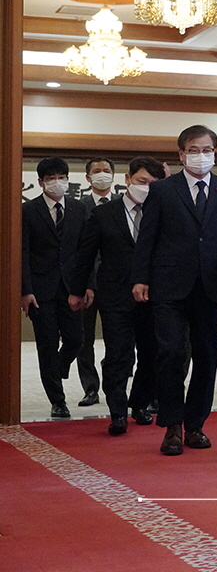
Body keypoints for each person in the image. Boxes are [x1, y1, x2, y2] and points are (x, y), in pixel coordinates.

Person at [132, 125, 217, 456]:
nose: (201, 156)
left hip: (211, 286)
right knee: (170, 354)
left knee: (207, 356)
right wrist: (140, 278)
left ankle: (195, 425)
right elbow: (147, 238)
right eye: (194, 150)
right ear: (181, 154)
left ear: (215, 153)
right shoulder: (163, 190)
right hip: (168, 286)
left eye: (207, 150)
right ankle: (172, 426)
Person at [71, 157, 167, 435]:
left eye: (153, 183)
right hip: (115, 296)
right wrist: (77, 291)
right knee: (118, 355)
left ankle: (139, 404)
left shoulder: (161, 213)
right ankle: (117, 412)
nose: (147, 188)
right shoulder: (104, 214)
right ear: (127, 179)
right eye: (142, 181)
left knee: (151, 355)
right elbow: (85, 256)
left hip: (153, 296)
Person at [21, 157, 87, 419]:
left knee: (76, 339)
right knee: (46, 344)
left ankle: (57, 367)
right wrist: (25, 290)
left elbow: (86, 252)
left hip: (72, 287)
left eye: (62, 176)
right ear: (40, 182)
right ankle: (58, 401)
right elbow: (22, 252)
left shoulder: (80, 209)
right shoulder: (28, 211)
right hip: (40, 290)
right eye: (51, 178)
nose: (57, 182)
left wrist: (86, 286)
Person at [74, 156, 117, 408]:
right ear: (88, 178)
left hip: (115, 285)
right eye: (97, 171)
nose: (103, 174)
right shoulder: (79, 207)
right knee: (84, 339)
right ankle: (90, 388)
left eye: (107, 170)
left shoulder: (123, 205)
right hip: (87, 284)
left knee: (117, 339)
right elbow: (79, 251)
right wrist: (84, 284)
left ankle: (116, 384)